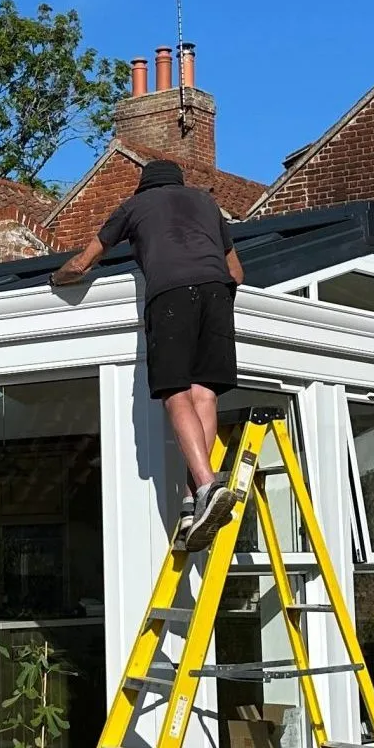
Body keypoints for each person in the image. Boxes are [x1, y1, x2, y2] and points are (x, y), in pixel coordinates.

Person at [50, 159, 244, 550]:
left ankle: (206, 486)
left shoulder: (134, 207)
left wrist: (58, 279)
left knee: (174, 392)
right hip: (218, 293)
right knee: (204, 392)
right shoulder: (207, 205)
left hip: (171, 294)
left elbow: (86, 260)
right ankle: (194, 501)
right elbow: (236, 272)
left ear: (143, 187)